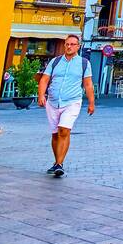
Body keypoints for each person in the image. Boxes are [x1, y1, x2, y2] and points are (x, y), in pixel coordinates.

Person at [37, 34, 96, 178]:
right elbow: (44, 80)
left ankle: (59, 164)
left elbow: (88, 84)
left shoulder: (84, 63)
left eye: (72, 44)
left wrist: (91, 102)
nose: (69, 46)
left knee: (64, 130)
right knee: (55, 134)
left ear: (78, 46)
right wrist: (41, 95)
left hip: (72, 101)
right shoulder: (55, 61)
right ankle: (57, 162)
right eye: (67, 44)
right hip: (52, 101)